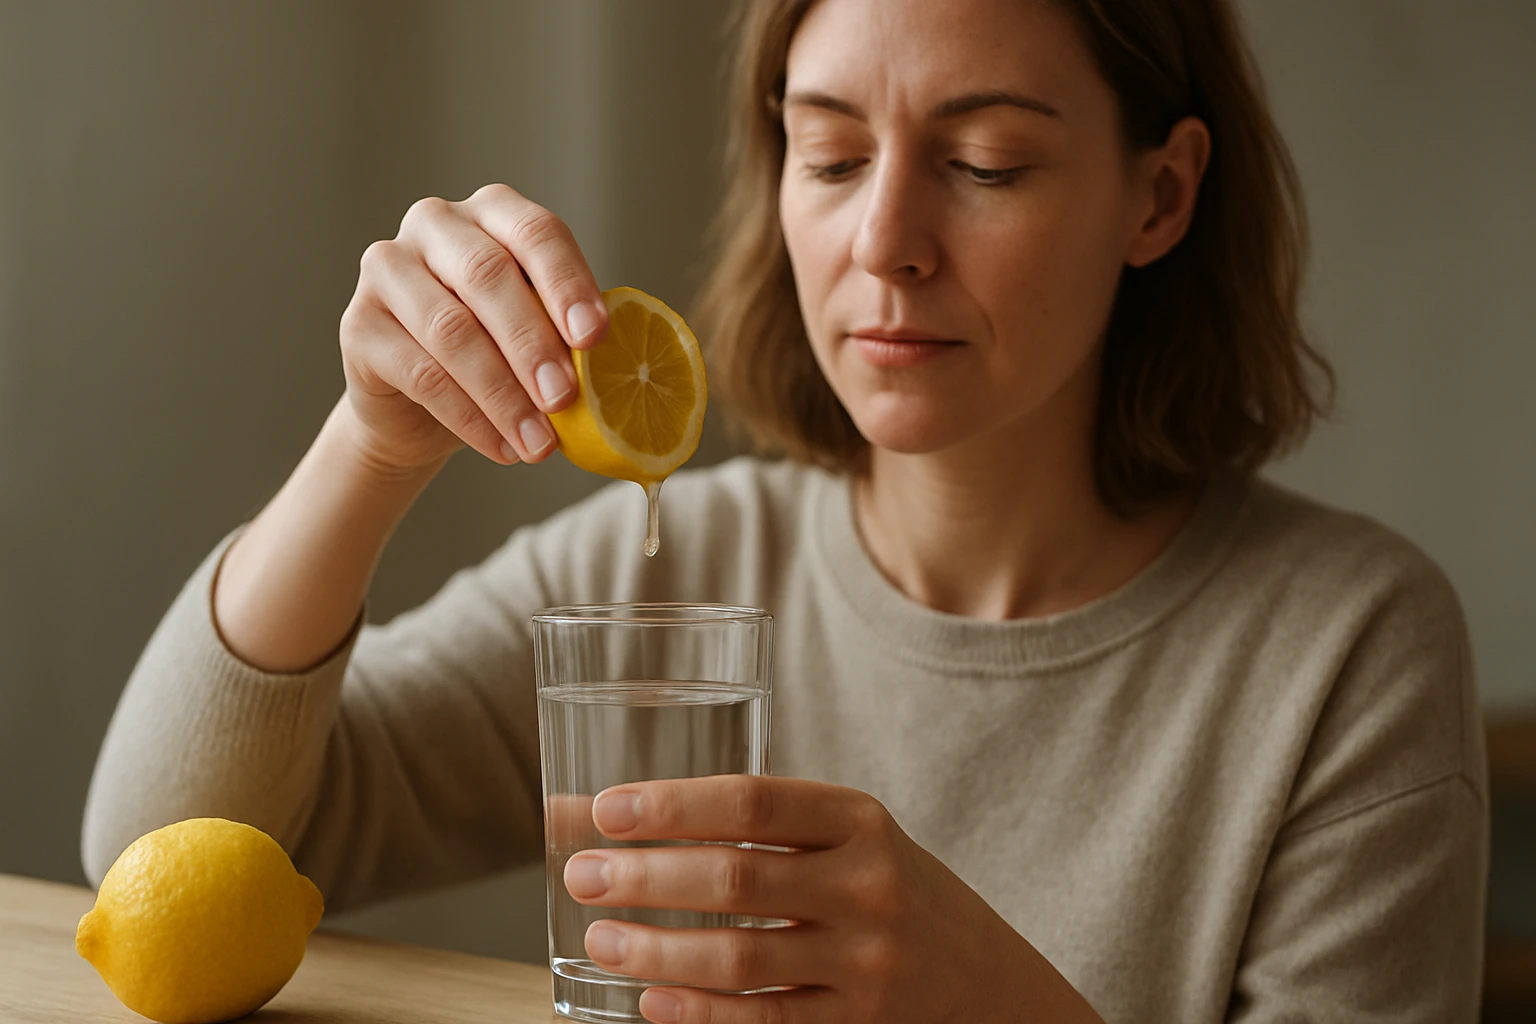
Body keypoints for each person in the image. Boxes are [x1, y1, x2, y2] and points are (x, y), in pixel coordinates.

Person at [82, 0, 1488, 1021]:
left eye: (986, 161)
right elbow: (152, 860)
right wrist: (370, 446)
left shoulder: (1348, 650)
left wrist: (1000, 1006)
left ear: (1161, 195)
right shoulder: (676, 561)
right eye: (828, 157)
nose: (883, 245)